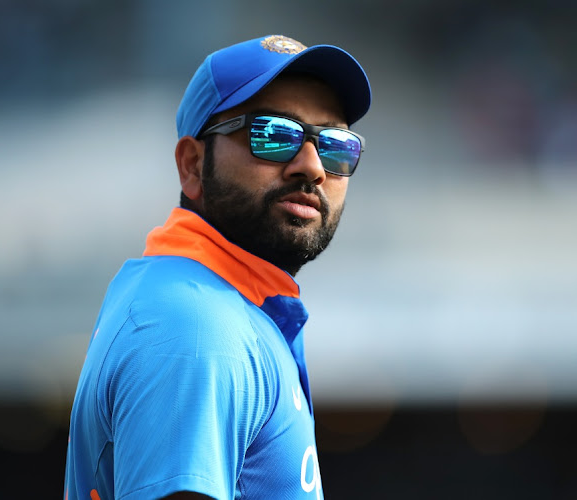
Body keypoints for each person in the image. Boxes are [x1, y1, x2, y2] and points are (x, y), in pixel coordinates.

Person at [64, 34, 371, 500]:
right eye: (274, 134)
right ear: (192, 165)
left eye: (335, 144)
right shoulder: (195, 328)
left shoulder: (206, 302)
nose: (311, 167)